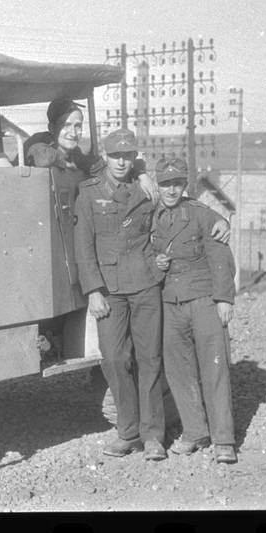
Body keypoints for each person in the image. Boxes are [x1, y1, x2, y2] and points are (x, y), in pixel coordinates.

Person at [73, 128, 169, 461]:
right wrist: (93, 291)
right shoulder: (89, 193)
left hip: (145, 284)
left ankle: (153, 436)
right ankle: (128, 430)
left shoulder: (146, 190)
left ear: (134, 158)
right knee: (113, 359)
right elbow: (83, 246)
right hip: (110, 290)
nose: (121, 162)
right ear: (105, 156)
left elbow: (168, 220)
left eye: (128, 156)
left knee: (150, 359)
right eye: (115, 156)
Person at [151, 157, 238, 464]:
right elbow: (145, 253)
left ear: (184, 185)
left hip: (203, 301)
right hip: (170, 303)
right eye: (165, 185)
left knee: (214, 368)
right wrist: (155, 264)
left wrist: (224, 299)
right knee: (178, 371)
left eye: (176, 185)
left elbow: (220, 256)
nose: (171, 191)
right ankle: (195, 431)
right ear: (157, 185)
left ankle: (224, 439)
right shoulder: (152, 216)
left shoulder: (202, 214)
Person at [23, 97, 158, 200]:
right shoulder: (41, 143)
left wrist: (141, 175)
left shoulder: (76, 154)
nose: (73, 133)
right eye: (66, 125)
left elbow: (102, 167)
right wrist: (65, 163)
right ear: (52, 128)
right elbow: (43, 158)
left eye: (78, 126)